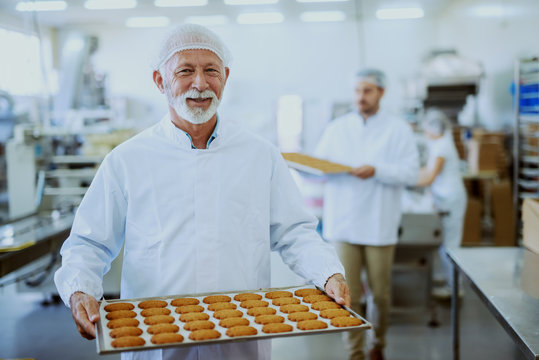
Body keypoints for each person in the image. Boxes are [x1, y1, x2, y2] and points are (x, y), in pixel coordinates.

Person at [54, 24, 350, 360]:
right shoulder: (127, 160)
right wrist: (80, 289)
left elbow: (295, 233)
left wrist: (329, 272)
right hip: (156, 337)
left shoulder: (259, 154)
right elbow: (89, 242)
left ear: (225, 76)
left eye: (211, 70)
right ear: (159, 81)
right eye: (185, 70)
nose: (200, 83)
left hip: (239, 335)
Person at [314, 69, 419, 360]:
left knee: (381, 294)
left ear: (381, 93)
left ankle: (379, 344)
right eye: (358, 91)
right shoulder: (337, 128)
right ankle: (355, 352)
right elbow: (318, 165)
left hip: (378, 224)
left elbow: (411, 173)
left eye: (368, 91)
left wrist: (378, 170)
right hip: (343, 224)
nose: (361, 97)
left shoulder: (398, 129)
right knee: (348, 295)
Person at [417, 108, 467, 298]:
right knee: (444, 246)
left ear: (433, 128)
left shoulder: (442, 146)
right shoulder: (439, 143)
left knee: (450, 247)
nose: (425, 133)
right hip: (445, 199)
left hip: (451, 200)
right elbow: (427, 170)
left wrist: (405, 179)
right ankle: (448, 280)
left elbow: (429, 177)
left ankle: (455, 288)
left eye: (426, 129)